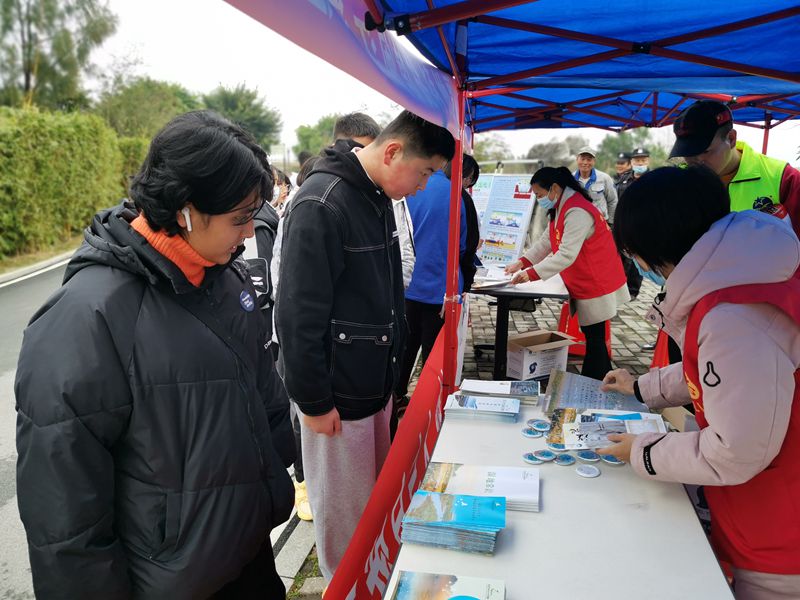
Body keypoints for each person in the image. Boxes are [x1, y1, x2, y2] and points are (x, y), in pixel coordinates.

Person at [14, 110, 295, 598]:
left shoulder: (224, 278)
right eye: (240, 218)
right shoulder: (87, 318)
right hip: (170, 579)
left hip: (247, 550)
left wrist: (276, 468)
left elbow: (261, 389)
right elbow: (63, 518)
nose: (251, 232)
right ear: (185, 210)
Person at [600, 165, 800, 600]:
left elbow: (735, 450)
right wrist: (641, 388)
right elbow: (721, 374)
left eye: (633, 254)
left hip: (777, 535)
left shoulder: (732, 317)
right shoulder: (749, 276)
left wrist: (645, 451)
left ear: (650, 251)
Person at [275, 110, 455, 582]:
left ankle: (373, 584)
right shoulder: (322, 202)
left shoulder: (374, 197)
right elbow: (296, 316)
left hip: (373, 384)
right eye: (425, 172)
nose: (423, 185)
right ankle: (346, 587)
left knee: (372, 507)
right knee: (345, 520)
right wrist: (314, 403)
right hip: (338, 397)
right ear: (393, 151)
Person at [505, 166, 629, 380]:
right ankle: (598, 381)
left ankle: (599, 382)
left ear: (554, 188)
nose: (539, 199)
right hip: (585, 278)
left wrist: (531, 273)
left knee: (595, 338)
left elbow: (566, 254)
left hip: (596, 279)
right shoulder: (560, 207)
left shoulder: (577, 210)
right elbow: (547, 240)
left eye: (540, 194)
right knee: (593, 337)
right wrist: (522, 262)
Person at [393, 157, 474, 425]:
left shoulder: (405, 187)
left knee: (404, 349)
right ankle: (428, 415)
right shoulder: (454, 194)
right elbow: (463, 245)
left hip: (406, 285)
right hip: (441, 289)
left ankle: (395, 401)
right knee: (433, 356)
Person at [669, 99, 800, 238]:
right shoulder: (676, 183)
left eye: (705, 151)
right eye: (687, 153)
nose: (695, 160)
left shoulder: (783, 178)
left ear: (731, 139)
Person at [614, 151, 642, 300]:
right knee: (622, 257)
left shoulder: (645, 178)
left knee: (635, 258)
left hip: (638, 224)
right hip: (622, 223)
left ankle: (632, 290)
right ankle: (621, 287)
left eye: (622, 164)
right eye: (618, 163)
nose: (619, 166)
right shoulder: (621, 179)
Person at [573, 145, 618, 223]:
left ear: (594, 161)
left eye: (589, 159)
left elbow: (613, 201)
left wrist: (611, 223)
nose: (585, 162)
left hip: (600, 223)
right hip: (578, 223)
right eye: (582, 159)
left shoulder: (604, 178)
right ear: (577, 159)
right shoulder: (570, 179)